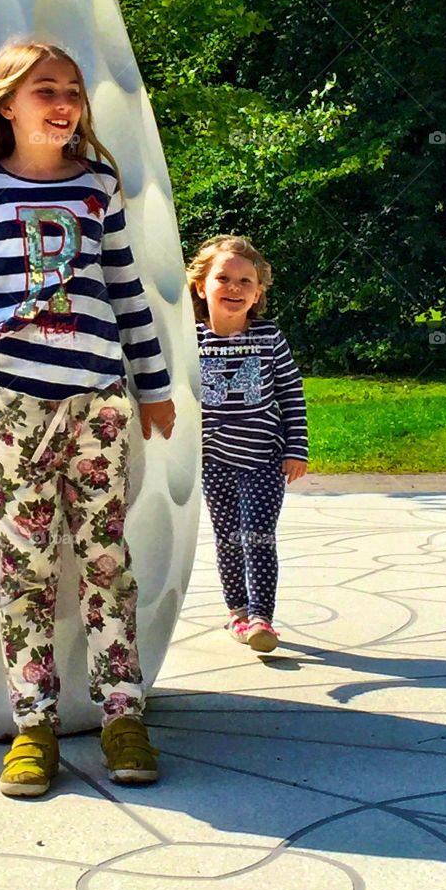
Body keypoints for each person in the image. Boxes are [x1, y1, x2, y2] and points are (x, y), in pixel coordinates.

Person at [0, 38, 176, 798]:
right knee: (26, 568)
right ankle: (34, 724)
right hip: (16, 407)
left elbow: (126, 292)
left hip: (100, 401)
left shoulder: (95, 188)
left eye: (73, 92)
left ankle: (123, 711)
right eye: (44, 91)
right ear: (8, 105)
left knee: (105, 561)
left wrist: (152, 384)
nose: (63, 105)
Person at [187, 235, 308, 654]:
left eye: (245, 281)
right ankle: (238, 612)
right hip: (213, 462)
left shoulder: (269, 338)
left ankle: (262, 618)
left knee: (257, 535)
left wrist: (297, 448)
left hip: (263, 461)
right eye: (224, 278)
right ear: (201, 286)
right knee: (226, 537)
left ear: (258, 293)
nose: (234, 288)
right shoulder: (190, 341)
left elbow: (291, 395)